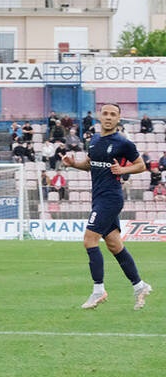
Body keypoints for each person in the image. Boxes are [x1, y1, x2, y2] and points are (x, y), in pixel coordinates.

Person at [61, 102, 152, 310]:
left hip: (110, 199)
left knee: (89, 240)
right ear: (100, 117)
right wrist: (73, 163)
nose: (109, 117)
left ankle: (98, 290)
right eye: (105, 113)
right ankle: (139, 285)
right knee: (114, 244)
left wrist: (123, 169)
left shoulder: (123, 143)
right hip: (99, 197)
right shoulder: (94, 140)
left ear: (118, 119)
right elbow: (90, 164)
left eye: (113, 114)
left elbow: (141, 165)